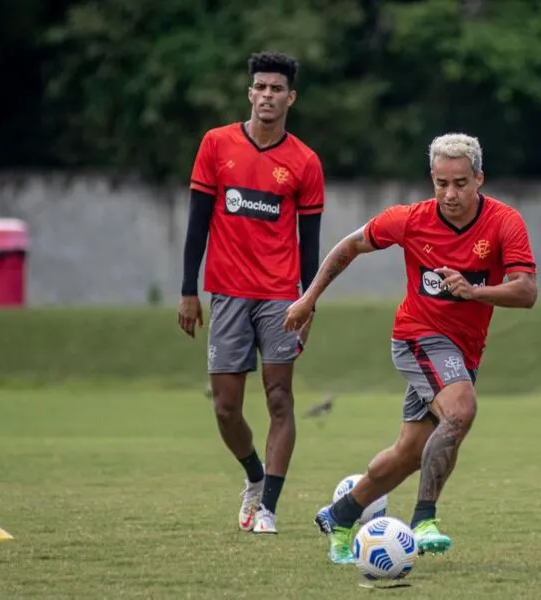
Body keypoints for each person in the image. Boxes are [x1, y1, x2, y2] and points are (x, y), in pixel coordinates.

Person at [283, 133, 538, 563]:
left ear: (479, 178)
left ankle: (341, 515)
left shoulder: (503, 222)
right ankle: (424, 519)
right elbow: (351, 245)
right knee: (460, 411)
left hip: (463, 351)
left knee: (409, 454)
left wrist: (475, 292)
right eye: (441, 183)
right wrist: (309, 298)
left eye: (460, 182)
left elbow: (526, 291)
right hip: (417, 336)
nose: (450, 193)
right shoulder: (409, 219)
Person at [177, 50, 325, 535]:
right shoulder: (216, 145)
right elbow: (198, 223)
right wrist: (187, 290)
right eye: (260, 87)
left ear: (291, 98)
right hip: (226, 293)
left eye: (276, 89)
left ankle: (269, 510)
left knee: (280, 399)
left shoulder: (304, 162)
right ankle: (254, 477)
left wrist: (309, 299)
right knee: (225, 407)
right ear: (249, 93)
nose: (267, 95)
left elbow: (310, 242)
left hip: (281, 296)